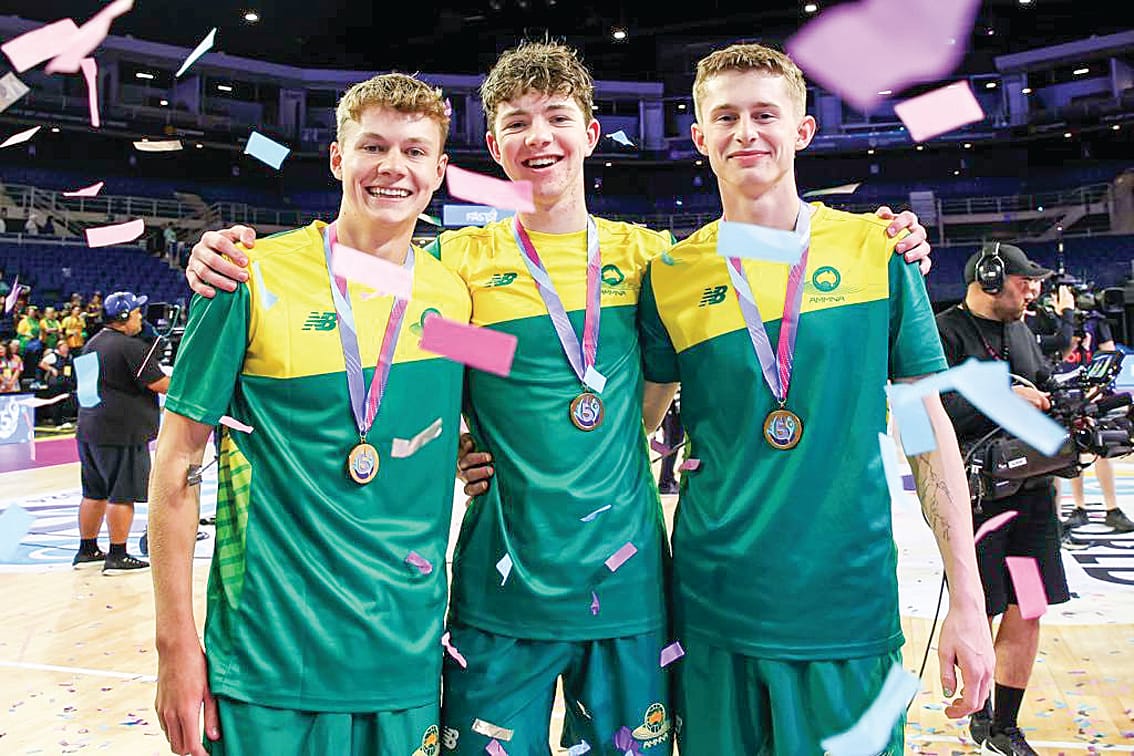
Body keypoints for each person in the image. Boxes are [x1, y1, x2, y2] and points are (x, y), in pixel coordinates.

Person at [182, 40, 935, 756]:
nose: (539, 138)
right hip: (499, 593)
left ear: (591, 135)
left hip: (629, 593)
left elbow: (722, 321)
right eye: (517, 123)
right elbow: (380, 316)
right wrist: (226, 255)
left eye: (557, 118)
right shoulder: (454, 267)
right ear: (494, 145)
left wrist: (890, 240)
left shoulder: (654, 262)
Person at [629, 43, 994, 755]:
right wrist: (484, 442)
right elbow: (629, 428)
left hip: (847, 608)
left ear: (802, 130)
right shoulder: (670, 274)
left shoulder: (877, 251)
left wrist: (969, 601)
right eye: (725, 117)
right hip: (713, 610)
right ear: (699, 137)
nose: (746, 132)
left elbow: (926, 430)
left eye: (765, 114)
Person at [150, 73, 469, 756]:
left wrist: (480, 449)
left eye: (415, 151)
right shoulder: (247, 277)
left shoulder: (453, 300)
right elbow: (176, 461)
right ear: (336, 157)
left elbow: (514, 393)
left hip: (404, 661)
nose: (393, 167)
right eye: (373, 146)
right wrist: (174, 646)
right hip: (267, 665)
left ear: (439, 172)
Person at [935, 243, 1073, 755]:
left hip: (1033, 497)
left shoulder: (1022, 330)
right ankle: (980, 710)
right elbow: (927, 409)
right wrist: (1001, 397)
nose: (1033, 290)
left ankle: (1004, 726)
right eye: (1023, 281)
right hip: (977, 503)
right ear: (990, 279)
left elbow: (1041, 391)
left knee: (1028, 607)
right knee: (983, 608)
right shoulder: (944, 332)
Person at [73, 290, 170, 574]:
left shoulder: (91, 344)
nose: (141, 317)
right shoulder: (130, 347)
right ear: (124, 316)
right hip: (121, 433)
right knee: (121, 494)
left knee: (94, 492)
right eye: (137, 313)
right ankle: (117, 554)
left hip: (89, 429)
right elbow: (159, 384)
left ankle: (87, 549)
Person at [1056, 313, 1134, 534]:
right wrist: (1073, 342)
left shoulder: (1095, 321)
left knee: (1102, 449)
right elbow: (1053, 358)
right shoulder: (1054, 321)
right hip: (1065, 391)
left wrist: (1097, 388)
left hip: (1095, 394)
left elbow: (1109, 353)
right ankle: (1079, 507)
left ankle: (1112, 508)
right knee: (1070, 452)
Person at [37, 340, 75, 426]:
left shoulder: (69, 356)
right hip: (55, 382)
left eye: (66, 347)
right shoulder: (53, 356)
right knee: (56, 401)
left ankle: (64, 419)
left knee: (66, 401)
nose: (65, 348)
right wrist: (52, 369)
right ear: (59, 347)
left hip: (66, 381)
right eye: (63, 347)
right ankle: (56, 420)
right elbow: (42, 364)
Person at [655, 391, 682, 494]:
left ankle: (668, 479)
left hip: (673, 405)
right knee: (672, 443)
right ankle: (665, 482)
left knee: (675, 441)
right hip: (672, 406)